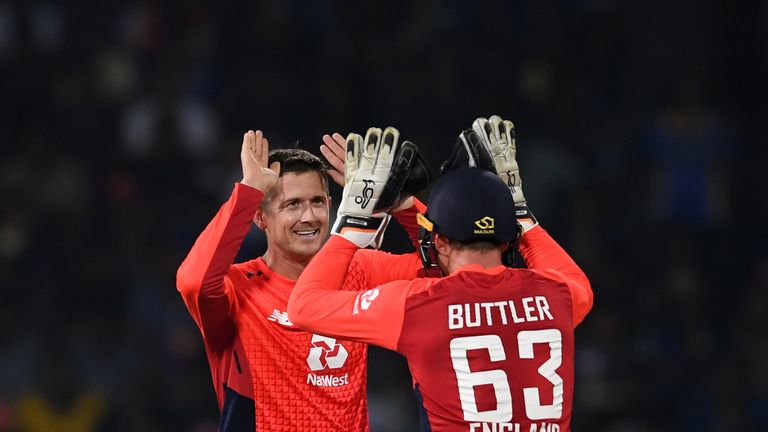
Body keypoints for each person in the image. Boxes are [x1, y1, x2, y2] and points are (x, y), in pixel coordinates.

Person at [289, 116, 593, 431]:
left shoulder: (418, 306)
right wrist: (519, 211)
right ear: (508, 238)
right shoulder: (557, 295)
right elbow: (577, 285)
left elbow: (304, 306)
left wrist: (354, 222)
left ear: (441, 240)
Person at [176, 129, 428, 431]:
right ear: (260, 218)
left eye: (318, 202)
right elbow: (194, 282)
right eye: (292, 204)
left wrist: (401, 204)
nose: (309, 216)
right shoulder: (240, 289)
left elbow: (447, 270)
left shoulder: (356, 268)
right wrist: (249, 190)